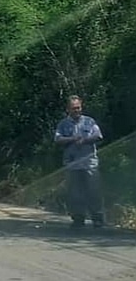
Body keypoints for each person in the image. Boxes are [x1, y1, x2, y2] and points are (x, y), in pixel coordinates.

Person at [54, 95, 104, 228]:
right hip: (72, 164)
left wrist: (85, 140)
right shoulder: (63, 124)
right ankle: (78, 219)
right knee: (75, 193)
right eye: (74, 108)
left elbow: (98, 135)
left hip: (90, 163)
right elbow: (58, 139)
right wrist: (72, 139)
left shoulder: (89, 121)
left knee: (94, 191)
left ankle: (97, 218)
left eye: (78, 107)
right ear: (68, 109)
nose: (77, 110)